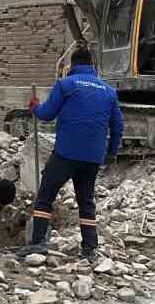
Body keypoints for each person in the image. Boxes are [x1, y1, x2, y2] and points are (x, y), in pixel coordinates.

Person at [18, 46, 124, 261]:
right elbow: (118, 126)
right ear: (92, 65)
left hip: (66, 153)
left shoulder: (65, 84)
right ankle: (89, 249)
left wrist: (34, 108)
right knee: (86, 201)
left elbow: (47, 114)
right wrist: (111, 153)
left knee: (46, 195)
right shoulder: (109, 91)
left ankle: (38, 243)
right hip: (93, 157)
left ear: (73, 65)